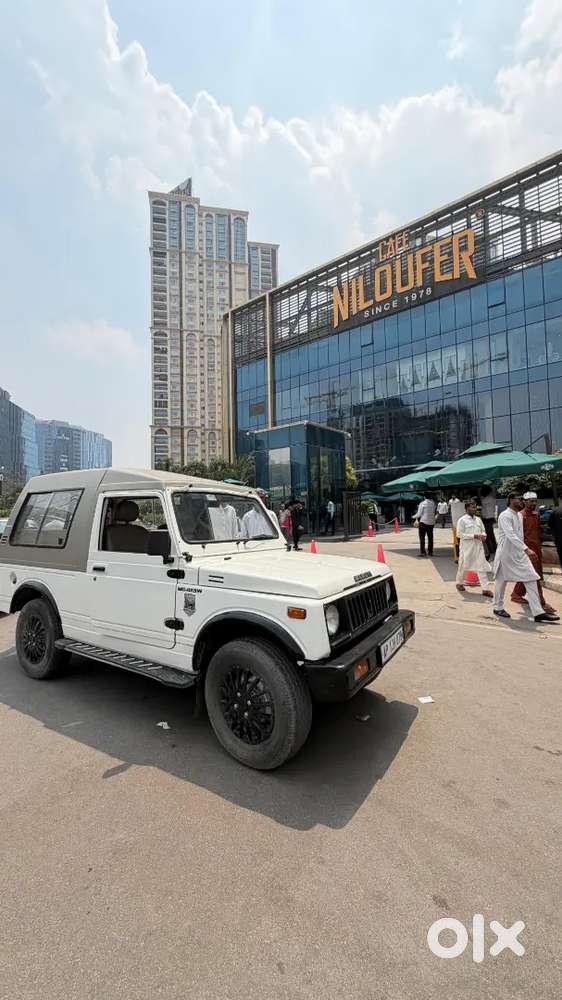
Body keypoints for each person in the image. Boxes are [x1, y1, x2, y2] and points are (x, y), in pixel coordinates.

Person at [492, 493, 559, 623]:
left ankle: (538, 613)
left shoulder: (518, 515)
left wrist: (524, 551)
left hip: (519, 554)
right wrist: (527, 549)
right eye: (519, 499)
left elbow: (520, 536)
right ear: (511, 500)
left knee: (531, 577)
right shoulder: (504, 515)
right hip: (505, 554)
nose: (522, 501)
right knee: (501, 581)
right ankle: (497, 607)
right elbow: (511, 535)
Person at [511, 492, 557, 614]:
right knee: (534, 576)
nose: (533, 503)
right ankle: (541, 603)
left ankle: (516, 594)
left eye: (535, 501)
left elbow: (538, 532)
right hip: (526, 551)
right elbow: (516, 536)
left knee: (529, 574)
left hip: (536, 549)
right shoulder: (520, 516)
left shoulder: (536, 515)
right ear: (524, 501)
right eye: (531, 501)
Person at [455, 499, 493, 597]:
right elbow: (459, 534)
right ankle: (459, 583)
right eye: (472, 507)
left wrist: (483, 535)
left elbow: (483, 530)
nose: (475, 509)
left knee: (481, 567)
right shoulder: (462, 520)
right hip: (467, 548)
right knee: (464, 566)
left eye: (475, 507)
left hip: (478, 547)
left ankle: (485, 589)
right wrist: (474, 536)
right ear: (467, 508)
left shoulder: (478, 519)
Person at [415, 492, 436, 557]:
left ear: (424, 497)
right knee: (430, 538)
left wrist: (413, 517)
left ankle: (423, 552)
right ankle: (430, 552)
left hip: (423, 522)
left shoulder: (422, 503)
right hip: (431, 522)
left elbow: (419, 514)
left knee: (422, 538)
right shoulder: (433, 503)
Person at [480, 485, 497, 556]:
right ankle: (494, 548)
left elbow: (483, 510)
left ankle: (491, 549)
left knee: (488, 534)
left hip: (487, 518)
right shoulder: (493, 499)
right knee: (490, 533)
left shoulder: (484, 500)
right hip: (490, 517)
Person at [549, 502, 562, 570]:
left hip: (559, 540)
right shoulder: (556, 511)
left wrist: (554, 536)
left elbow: (550, 525)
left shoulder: (555, 511)